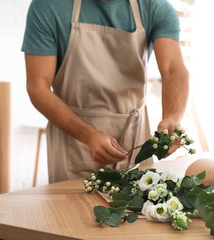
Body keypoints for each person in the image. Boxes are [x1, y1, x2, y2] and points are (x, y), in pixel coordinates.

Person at [22, 0, 189, 183]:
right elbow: (38, 87)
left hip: (135, 137)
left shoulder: (154, 8)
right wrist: (88, 135)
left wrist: (172, 118)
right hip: (74, 144)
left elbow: (173, 69)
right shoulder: (48, 6)